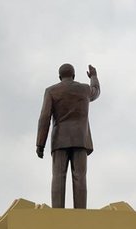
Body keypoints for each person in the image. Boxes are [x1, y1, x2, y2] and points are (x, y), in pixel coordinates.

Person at [36, 63, 100, 209]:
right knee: (80, 177)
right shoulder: (84, 89)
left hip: (59, 140)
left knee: (58, 176)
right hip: (80, 139)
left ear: (60, 77)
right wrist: (94, 77)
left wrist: (40, 144)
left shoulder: (51, 91)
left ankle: (58, 213)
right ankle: (80, 213)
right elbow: (95, 91)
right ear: (74, 75)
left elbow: (44, 118)